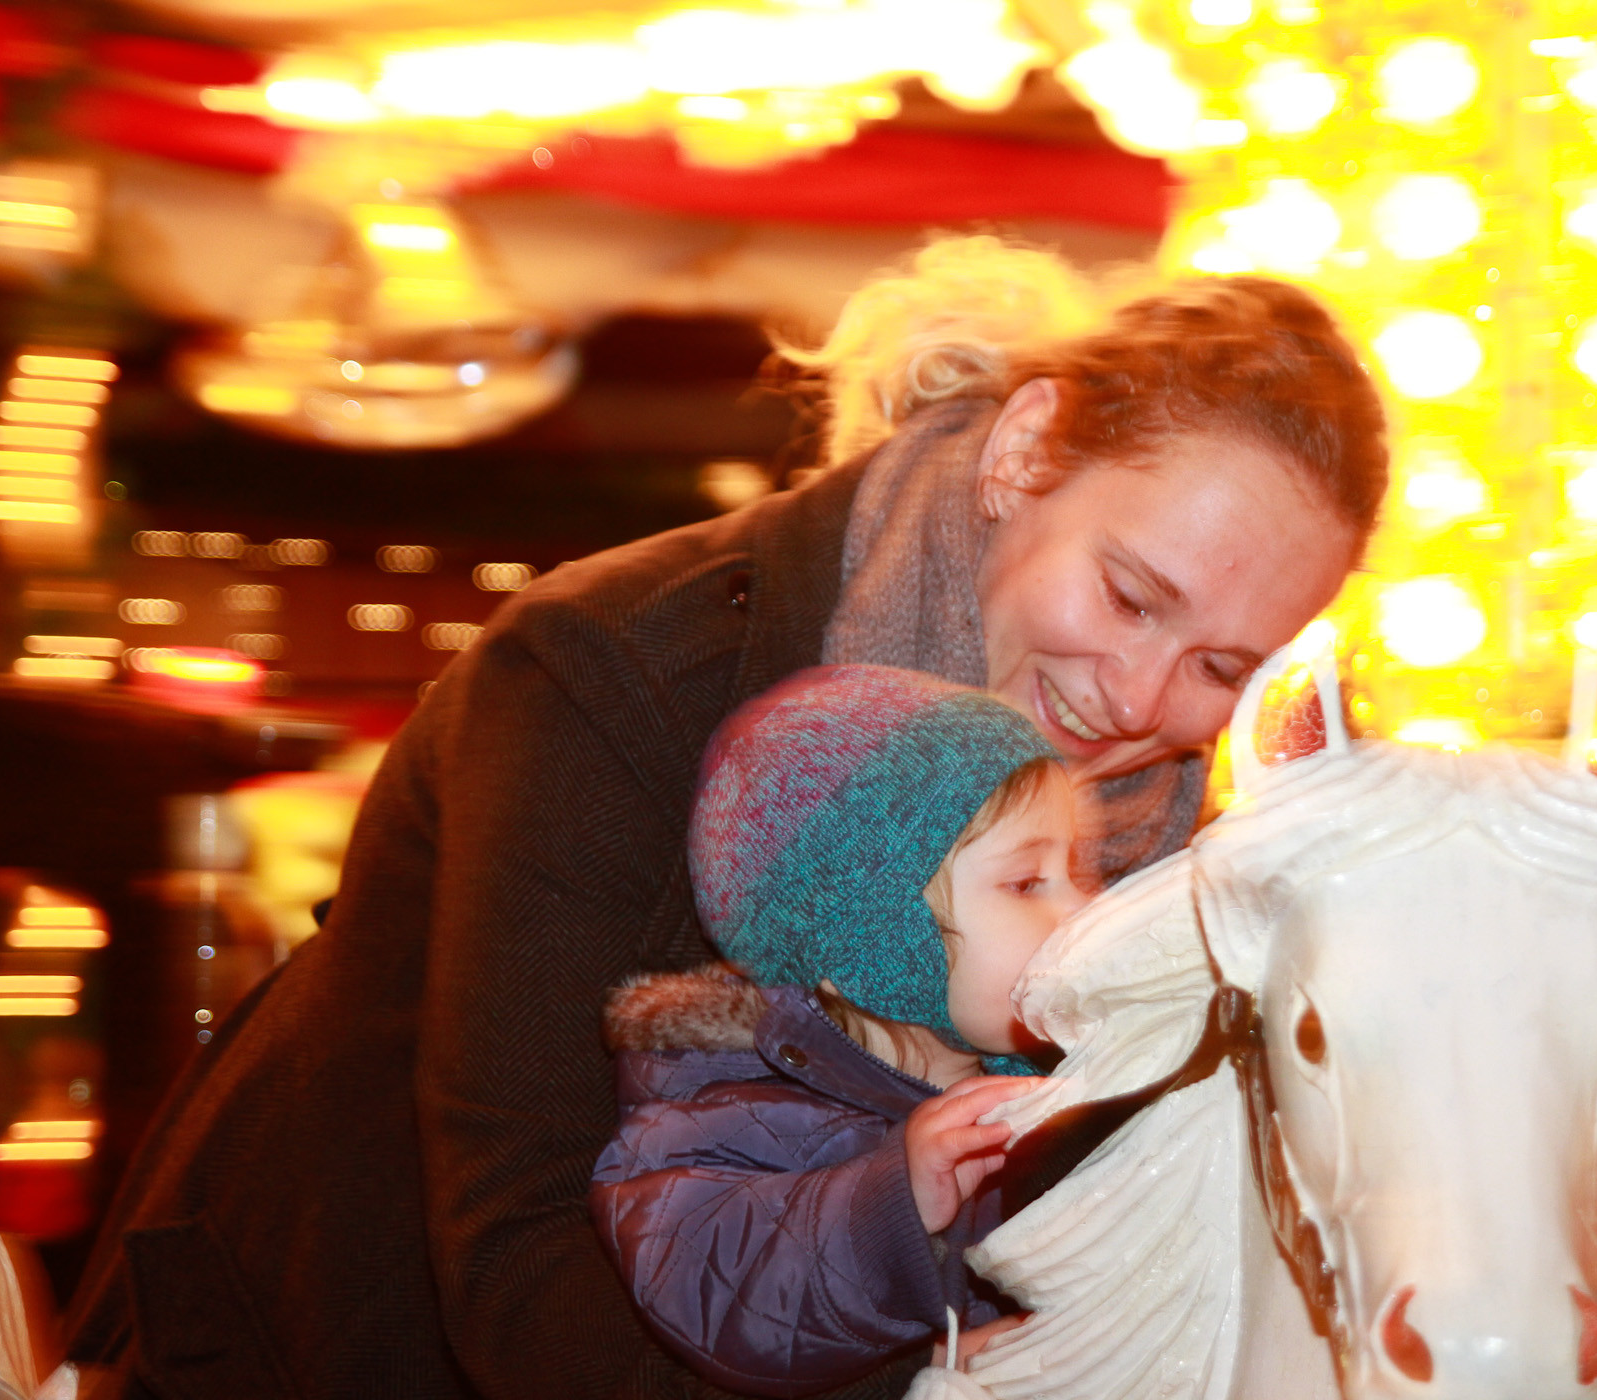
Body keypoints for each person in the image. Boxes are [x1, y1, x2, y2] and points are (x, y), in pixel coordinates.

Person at [67, 236, 1389, 1400]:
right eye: (1131, 595)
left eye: (1222, 666)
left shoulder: (1176, 851)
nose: (1141, 700)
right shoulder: (614, 671)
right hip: (320, 1344)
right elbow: (524, 1267)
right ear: (1024, 450)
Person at [591, 665, 1085, 1397]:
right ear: (871, 947)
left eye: (1075, 870)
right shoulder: (723, 1116)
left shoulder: (1063, 1078)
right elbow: (724, 1294)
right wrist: (891, 1204)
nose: (1079, 911)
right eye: (1026, 883)